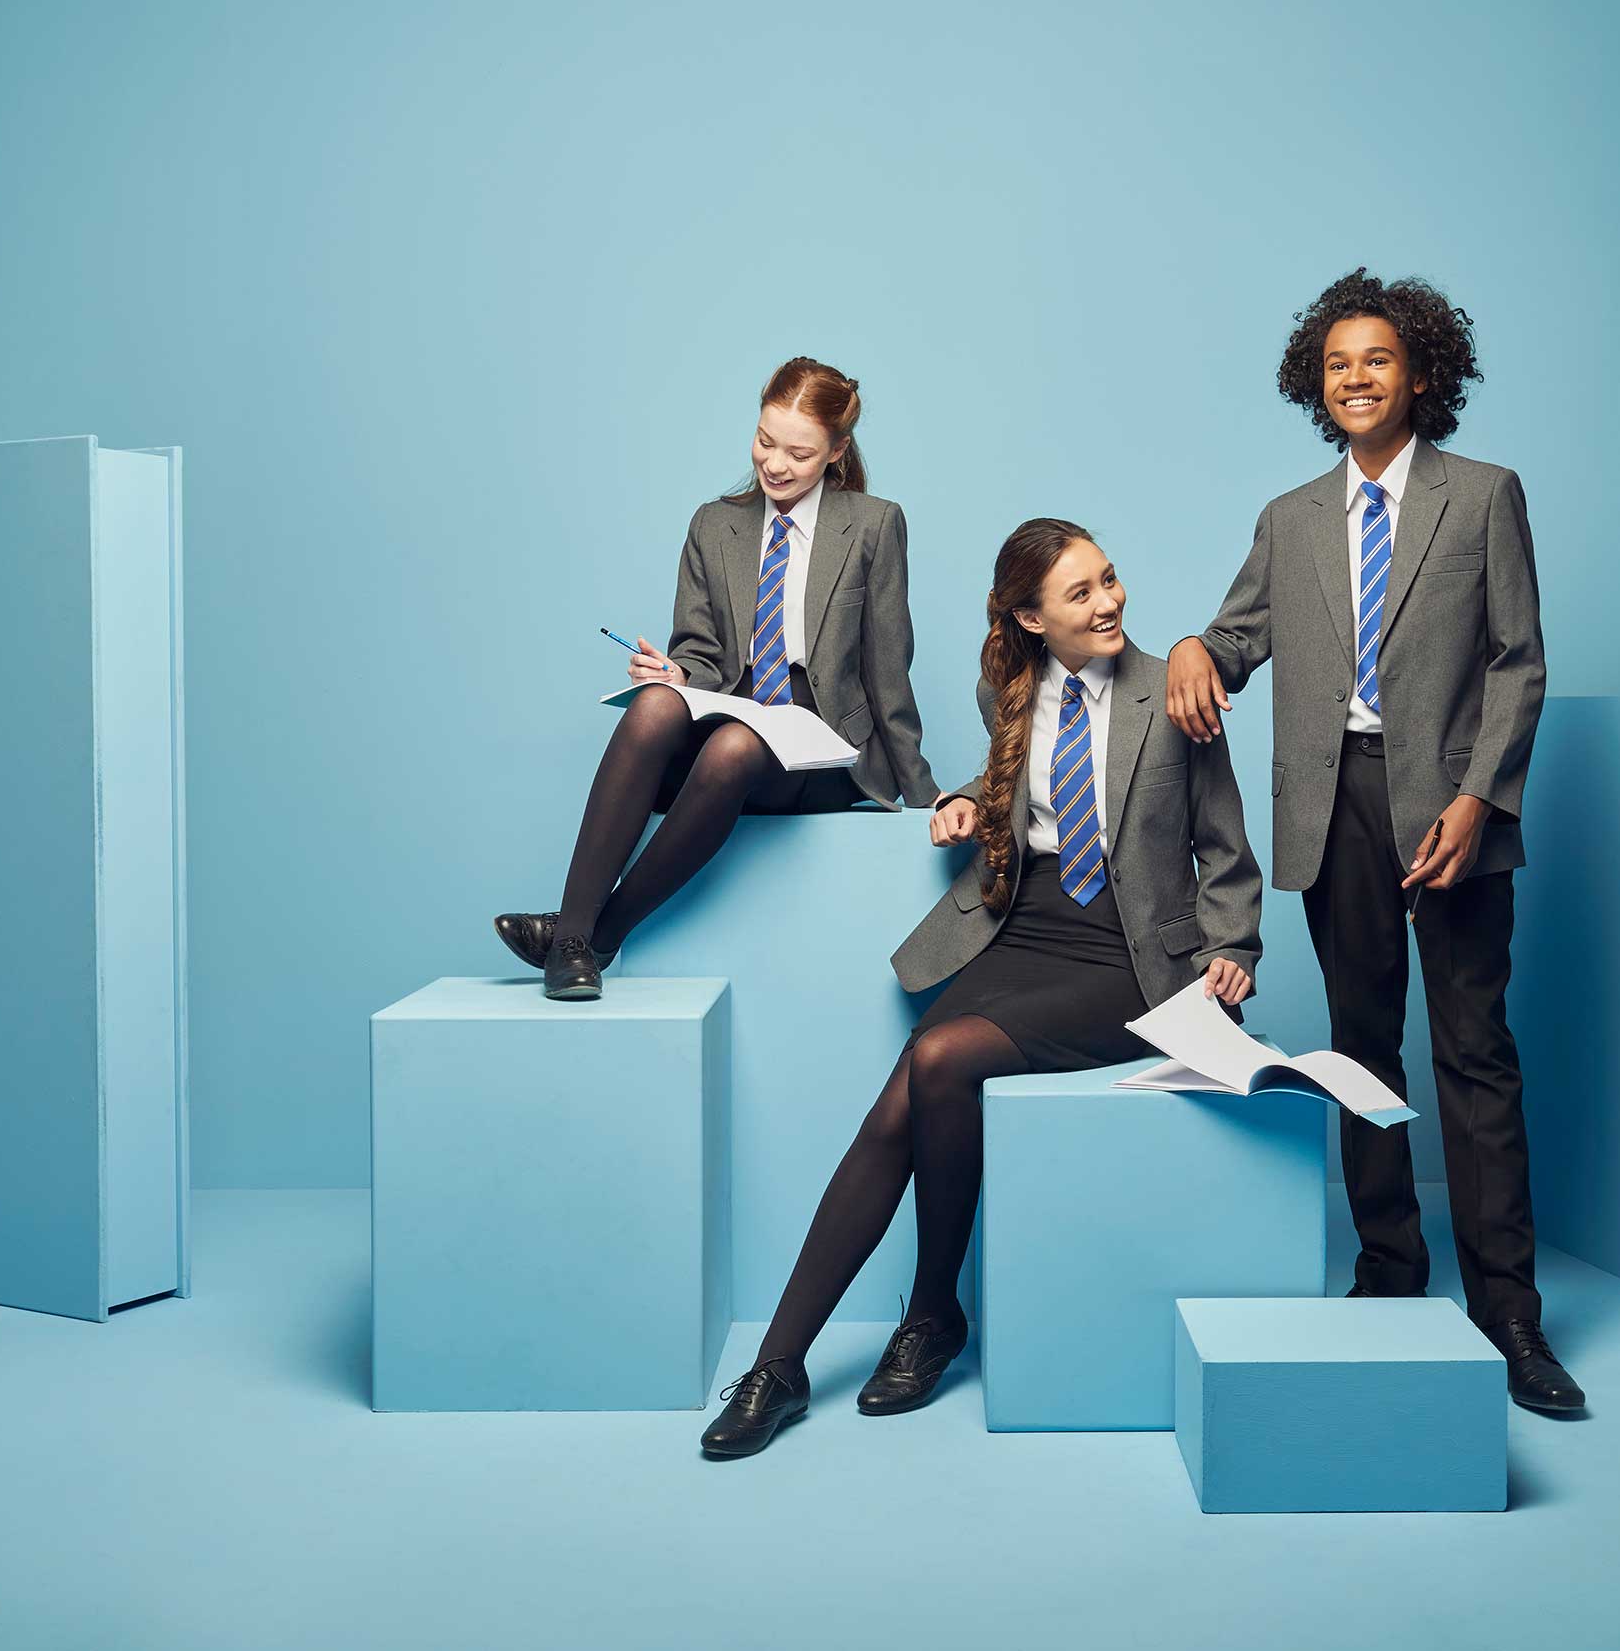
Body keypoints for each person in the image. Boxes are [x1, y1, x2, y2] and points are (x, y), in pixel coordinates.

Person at [700, 518, 1262, 1457]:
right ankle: (780, 1366)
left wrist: (1232, 943)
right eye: (1080, 593)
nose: (1109, 602)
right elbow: (1025, 783)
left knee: (939, 1054)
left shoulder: (1172, 688)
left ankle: (928, 1312)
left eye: (1110, 580)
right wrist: (969, 797)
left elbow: (1226, 844)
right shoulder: (1010, 690)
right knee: (900, 1100)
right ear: (1031, 618)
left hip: (1129, 958)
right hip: (1024, 927)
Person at [1162, 270, 1584, 1413]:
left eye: (1378, 360)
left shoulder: (1483, 495)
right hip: (1332, 799)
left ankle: (1511, 1315)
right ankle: (1389, 1272)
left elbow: (1518, 661)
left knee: (1472, 1051)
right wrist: (1194, 650)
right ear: (1317, 382)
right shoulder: (1289, 518)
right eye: (1337, 363)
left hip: (1449, 805)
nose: (1355, 377)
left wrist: (1479, 798)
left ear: (1422, 376)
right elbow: (1238, 636)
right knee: (1359, 1046)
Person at [494, 357, 942, 1000]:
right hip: (731, 736)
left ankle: (586, 935)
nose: (776, 465)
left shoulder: (873, 524)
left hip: (820, 757)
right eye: (765, 442)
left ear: (837, 452)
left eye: (799, 452)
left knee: (733, 747)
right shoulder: (714, 524)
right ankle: (574, 940)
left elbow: (887, 667)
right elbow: (703, 658)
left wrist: (921, 798)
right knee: (654, 705)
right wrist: (679, 675)